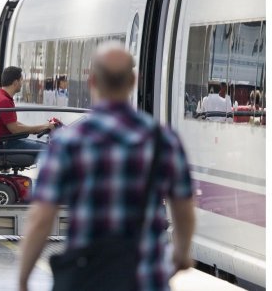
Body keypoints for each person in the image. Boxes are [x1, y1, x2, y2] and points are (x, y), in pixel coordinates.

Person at [18, 42, 195, 291]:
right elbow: (183, 208)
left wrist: (24, 278)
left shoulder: (67, 142)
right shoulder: (163, 140)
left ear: (92, 81)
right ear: (133, 81)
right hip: (145, 280)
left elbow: (41, 218)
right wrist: (181, 252)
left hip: (86, 278)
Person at [0, 66, 56, 152]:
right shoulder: (4, 101)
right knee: (48, 149)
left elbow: (14, 124)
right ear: (15, 82)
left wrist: (39, 128)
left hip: (5, 142)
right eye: (21, 80)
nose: (22, 83)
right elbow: (15, 129)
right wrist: (43, 127)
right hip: (6, 145)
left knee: (43, 145)